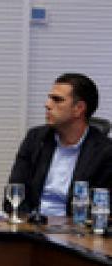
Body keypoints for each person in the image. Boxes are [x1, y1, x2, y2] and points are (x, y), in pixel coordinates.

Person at [7, 73, 112, 216]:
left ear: (79, 108)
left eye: (57, 100)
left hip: (76, 232)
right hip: (33, 228)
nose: (47, 105)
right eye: (49, 98)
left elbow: (102, 208)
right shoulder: (36, 139)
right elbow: (14, 194)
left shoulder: (105, 151)